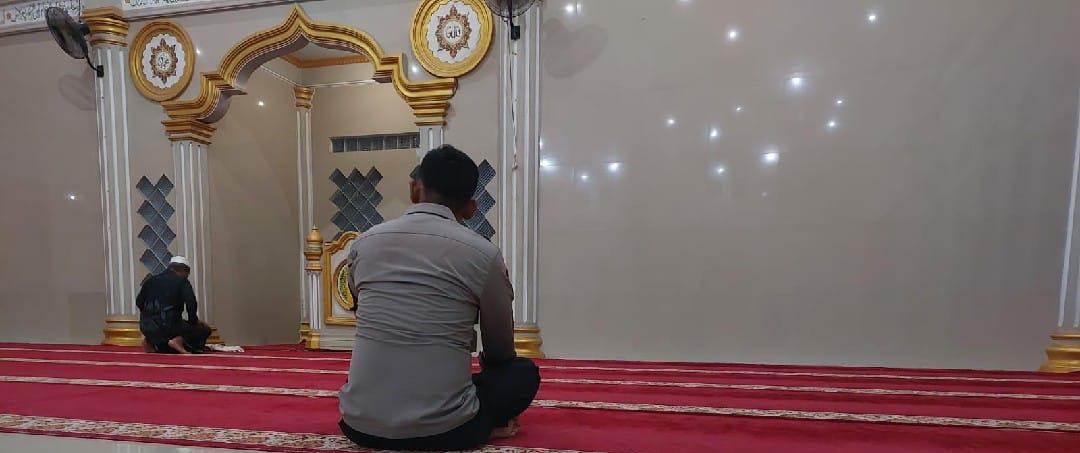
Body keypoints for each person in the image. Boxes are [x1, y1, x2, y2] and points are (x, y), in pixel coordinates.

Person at [339, 145, 540, 451]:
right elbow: (500, 352)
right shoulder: (483, 254)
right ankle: (486, 424)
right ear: (471, 208)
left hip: (358, 425)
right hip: (444, 431)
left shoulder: (364, 243)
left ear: (414, 188)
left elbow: (360, 306)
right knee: (522, 373)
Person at [135, 256, 211, 354]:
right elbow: (191, 303)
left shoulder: (150, 280)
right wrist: (193, 322)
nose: (187, 276)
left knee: (166, 343)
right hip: (170, 327)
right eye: (187, 273)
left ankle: (149, 341)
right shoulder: (182, 281)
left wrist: (148, 316)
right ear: (184, 270)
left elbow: (139, 301)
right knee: (204, 330)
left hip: (146, 328)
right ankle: (178, 340)